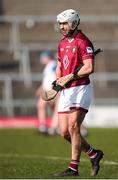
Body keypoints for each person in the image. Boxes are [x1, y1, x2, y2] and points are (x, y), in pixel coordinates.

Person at [55, 9, 104, 177]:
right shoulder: (61, 43)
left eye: (65, 23)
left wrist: (71, 76)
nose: (62, 26)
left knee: (74, 126)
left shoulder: (83, 41)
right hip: (67, 90)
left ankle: (73, 168)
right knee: (65, 132)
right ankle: (93, 154)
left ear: (74, 23)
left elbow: (89, 67)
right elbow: (60, 65)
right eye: (60, 23)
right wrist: (58, 80)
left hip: (81, 88)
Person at [36, 51, 59, 135]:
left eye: (43, 57)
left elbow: (57, 76)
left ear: (48, 57)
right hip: (47, 90)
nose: (41, 59)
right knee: (42, 106)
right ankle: (44, 126)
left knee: (55, 109)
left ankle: (53, 127)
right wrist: (40, 88)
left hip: (51, 91)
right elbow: (47, 80)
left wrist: (55, 89)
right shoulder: (48, 66)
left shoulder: (53, 64)